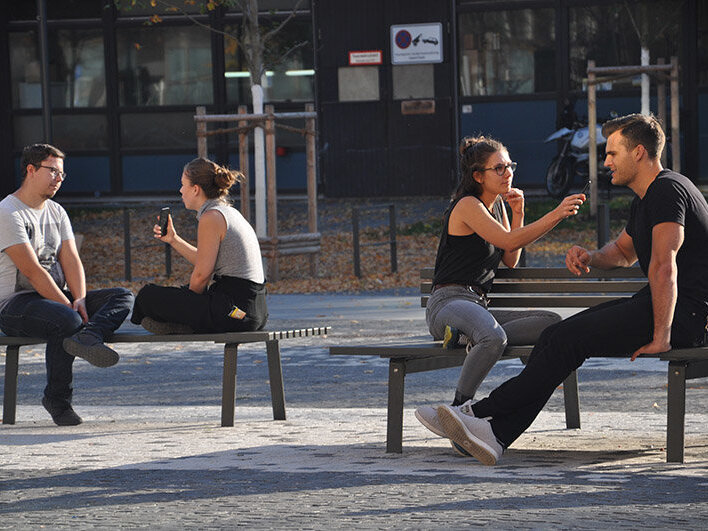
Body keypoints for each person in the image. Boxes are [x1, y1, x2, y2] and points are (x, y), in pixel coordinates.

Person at [436, 113, 708, 465]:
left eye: (613, 153)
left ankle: (477, 414)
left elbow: (663, 263)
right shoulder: (646, 197)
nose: (606, 161)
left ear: (639, 152)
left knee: (564, 339)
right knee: (557, 335)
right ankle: (495, 433)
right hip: (665, 307)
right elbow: (624, 252)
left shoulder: (668, 190)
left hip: (685, 316)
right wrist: (590, 256)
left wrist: (662, 335)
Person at [415, 135, 586, 452]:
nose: (508, 172)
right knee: (493, 338)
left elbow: (509, 256)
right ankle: (459, 411)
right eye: (499, 168)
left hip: (476, 305)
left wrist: (518, 212)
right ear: (478, 175)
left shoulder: (495, 209)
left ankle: (468, 336)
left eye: (510, 165)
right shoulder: (468, 206)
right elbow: (508, 243)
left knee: (550, 323)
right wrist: (556, 213)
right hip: (448, 303)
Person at [0, 144, 134, 426]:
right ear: (31, 170)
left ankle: (87, 338)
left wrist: (81, 299)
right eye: (53, 172)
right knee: (65, 319)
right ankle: (57, 399)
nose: (59, 179)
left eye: (62, 174)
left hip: (54, 297)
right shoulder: (8, 212)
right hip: (15, 303)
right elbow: (32, 271)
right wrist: (70, 306)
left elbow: (71, 259)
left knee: (122, 296)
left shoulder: (57, 211)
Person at [131, 157, 267, 334]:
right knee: (172, 295)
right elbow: (206, 261)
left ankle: (185, 325)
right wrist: (174, 239)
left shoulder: (211, 217)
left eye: (183, 185)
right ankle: (184, 324)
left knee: (147, 296)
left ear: (195, 189)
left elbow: (202, 275)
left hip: (234, 311)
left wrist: (187, 305)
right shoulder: (227, 212)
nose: (180, 191)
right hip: (250, 311)